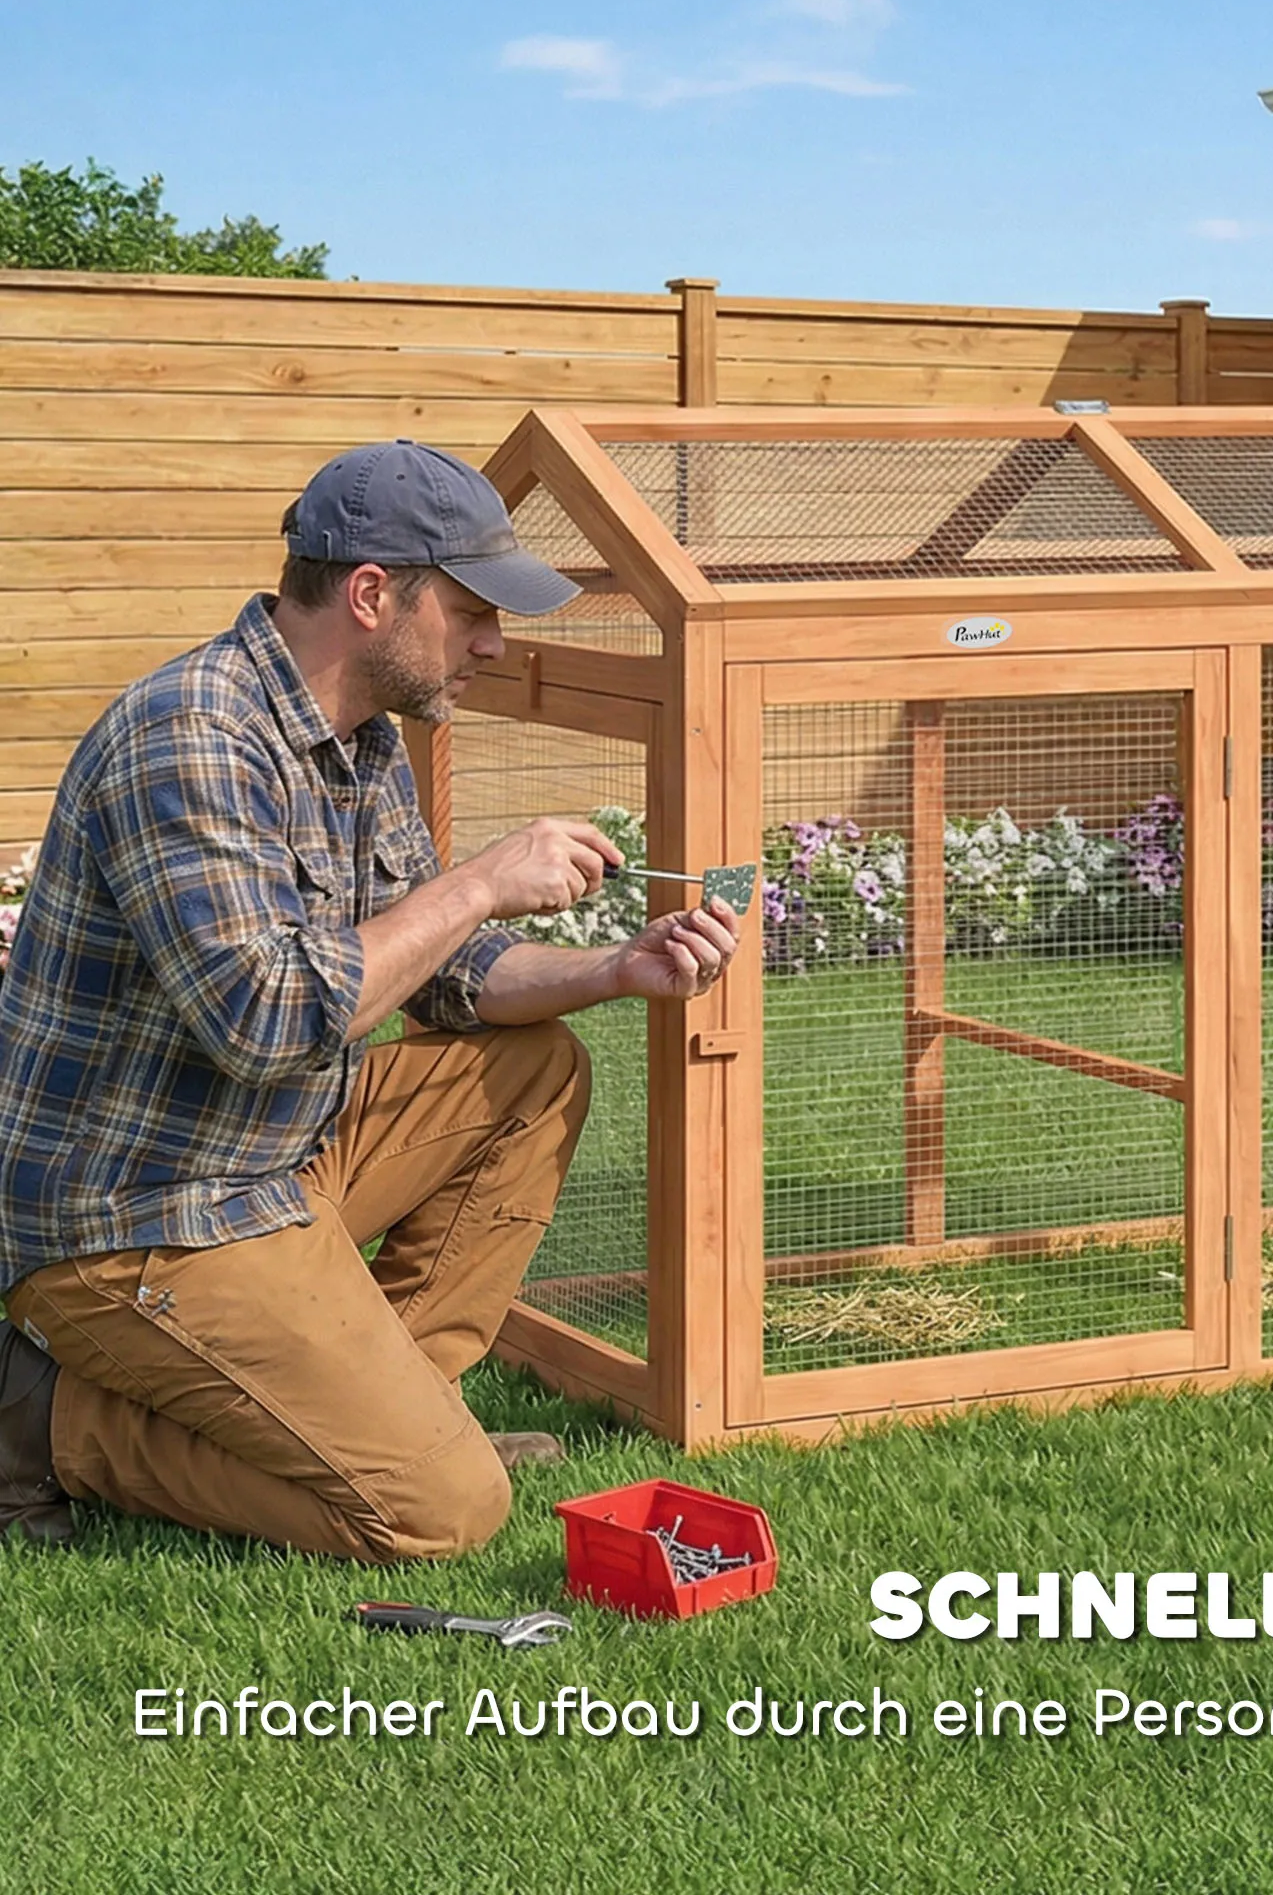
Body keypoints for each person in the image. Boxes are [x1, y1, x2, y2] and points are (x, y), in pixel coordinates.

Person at [0, 440, 738, 1557]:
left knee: (534, 1069)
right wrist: (478, 882)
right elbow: (264, 1023)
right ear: (371, 594)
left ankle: (405, 1411)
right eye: (473, 611)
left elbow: (441, 975)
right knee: (441, 1511)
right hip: (138, 1216)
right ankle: (44, 1421)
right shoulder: (189, 737)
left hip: (273, 1156)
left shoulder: (362, 740)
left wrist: (613, 969)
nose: (494, 642)